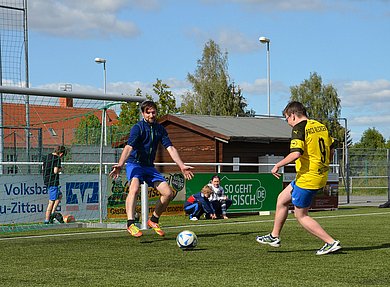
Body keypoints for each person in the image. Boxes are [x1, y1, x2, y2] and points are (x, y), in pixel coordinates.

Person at [256, 101, 342, 255]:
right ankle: (274, 236)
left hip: (308, 177)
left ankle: (330, 242)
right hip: (315, 174)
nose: (288, 122)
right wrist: (326, 161)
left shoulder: (299, 128)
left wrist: (277, 165)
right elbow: (332, 145)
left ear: (293, 115)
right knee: (282, 199)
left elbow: (296, 153)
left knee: (300, 215)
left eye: (287, 118)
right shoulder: (320, 126)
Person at [109, 100, 194, 237]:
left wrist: (182, 165)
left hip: (149, 166)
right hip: (135, 163)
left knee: (168, 193)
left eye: (153, 112)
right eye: (148, 112)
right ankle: (130, 224)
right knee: (134, 188)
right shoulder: (138, 128)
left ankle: (153, 220)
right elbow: (129, 147)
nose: (151, 115)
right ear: (143, 113)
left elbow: (170, 148)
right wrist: (120, 165)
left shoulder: (160, 129)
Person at [42, 145, 67, 224]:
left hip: (46, 179)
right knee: (51, 201)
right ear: (61, 154)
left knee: (59, 196)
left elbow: (43, 168)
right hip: (53, 181)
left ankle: (52, 213)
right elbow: (55, 171)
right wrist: (61, 169)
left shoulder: (47, 156)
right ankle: (47, 219)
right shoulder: (57, 159)